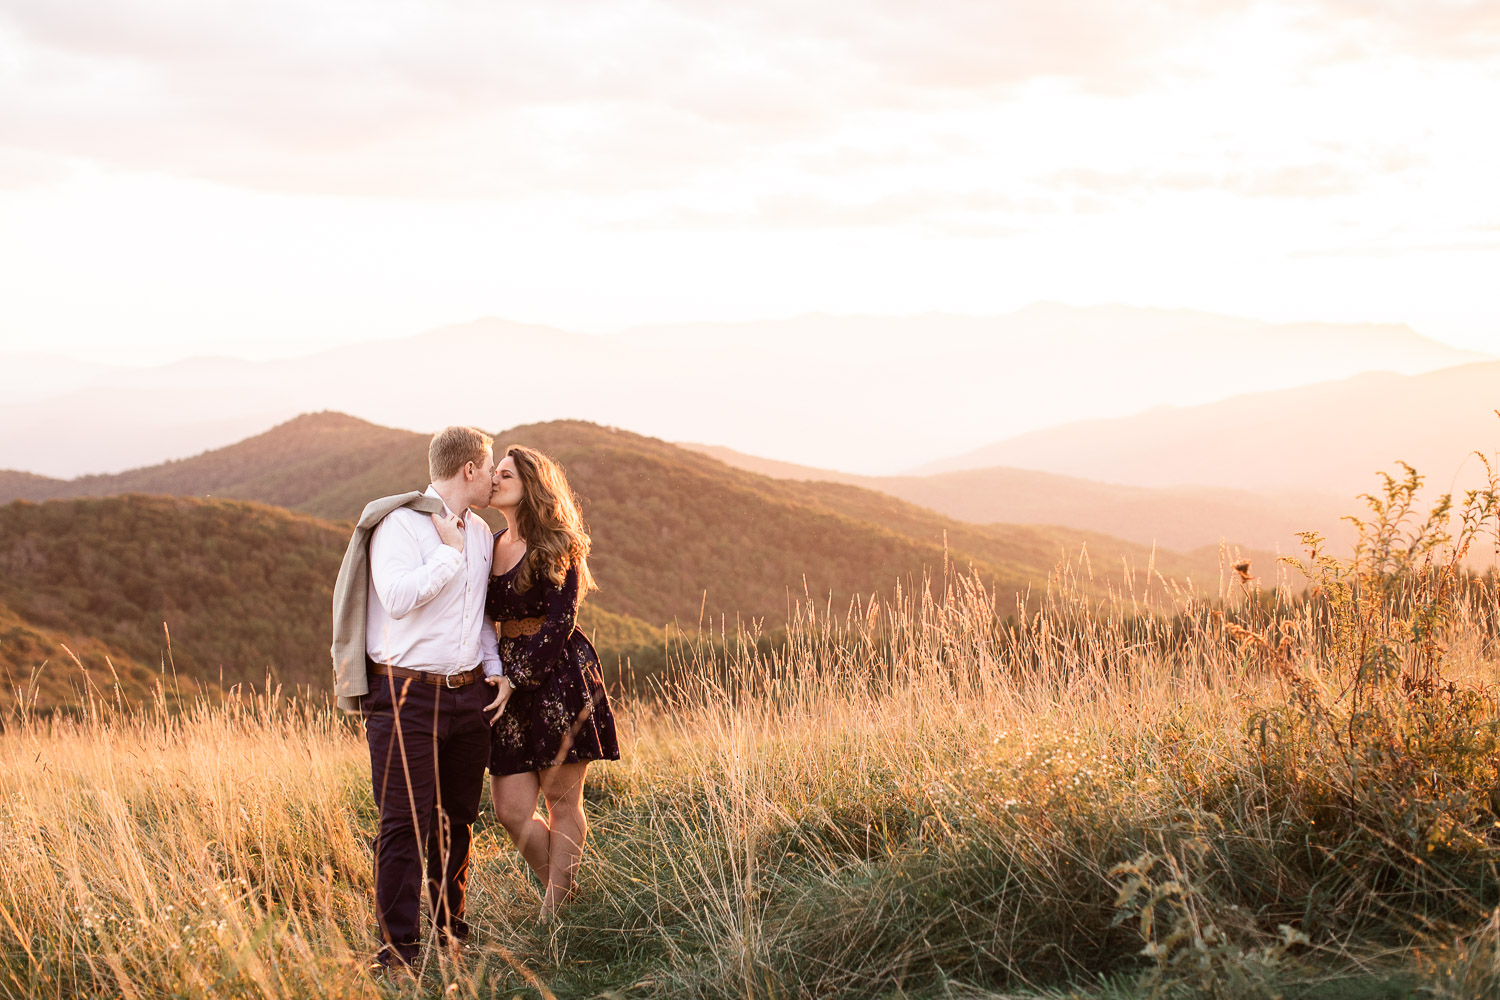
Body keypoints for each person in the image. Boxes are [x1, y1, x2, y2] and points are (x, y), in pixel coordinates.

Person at [340, 425, 512, 971]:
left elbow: (478, 615)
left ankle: (448, 933)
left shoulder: (482, 532)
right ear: (469, 469)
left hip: (469, 697)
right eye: (488, 469)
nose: (491, 479)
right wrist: (450, 555)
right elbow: (395, 598)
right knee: (403, 822)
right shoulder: (401, 524)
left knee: (457, 819)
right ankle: (397, 952)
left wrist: (495, 668)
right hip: (405, 694)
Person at [482, 444, 619, 920]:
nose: (494, 480)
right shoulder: (491, 542)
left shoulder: (558, 543)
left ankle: (553, 914)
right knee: (510, 810)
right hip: (506, 682)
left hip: (556, 676)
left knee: (562, 802)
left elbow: (561, 623)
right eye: (494, 473)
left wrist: (516, 678)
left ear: (531, 487)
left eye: (505, 475)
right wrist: (497, 676)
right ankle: (564, 897)